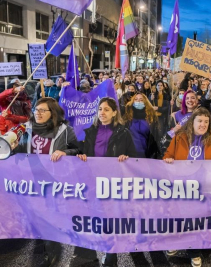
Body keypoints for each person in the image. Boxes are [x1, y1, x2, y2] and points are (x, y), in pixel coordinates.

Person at [11, 97, 80, 266]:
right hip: (31, 181)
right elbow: (21, 150)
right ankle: (44, 243)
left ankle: (52, 253)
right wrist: (13, 148)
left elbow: (78, 149)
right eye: (36, 110)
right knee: (37, 215)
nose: (38, 113)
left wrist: (66, 153)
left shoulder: (64, 130)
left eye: (43, 110)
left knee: (51, 215)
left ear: (53, 113)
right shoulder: (26, 129)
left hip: (53, 180)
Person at [163, 107, 211, 267]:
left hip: (204, 186)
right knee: (180, 218)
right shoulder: (179, 138)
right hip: (183, 185)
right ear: (192, 122)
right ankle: (178, 243)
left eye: (206, 122)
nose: (203, 124)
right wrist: (169, 160)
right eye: (200, 121)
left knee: (197, 220)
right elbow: (167, 155)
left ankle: (194, 252)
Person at [76, 97, 138, 267]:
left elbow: (134, 157)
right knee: (97, 219)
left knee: (111, 220)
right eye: (100, 109)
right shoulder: (90, 132)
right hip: (93, 182)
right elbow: (82, 153)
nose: (102, 113)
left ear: (114, 112)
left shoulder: (123, 133)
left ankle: (111, 254)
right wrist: (81, 155)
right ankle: (97, 248)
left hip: (114, 184)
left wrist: (127, 158)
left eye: (106, 110)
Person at [123, 93, 159, 158]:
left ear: (145, 102)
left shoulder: (151, 117)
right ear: (132, 102)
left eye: (141, 100)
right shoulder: (127, 116)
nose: (138, 101)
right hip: (129, 155)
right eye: (136, 99)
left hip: (146, 154)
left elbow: (155, 137)